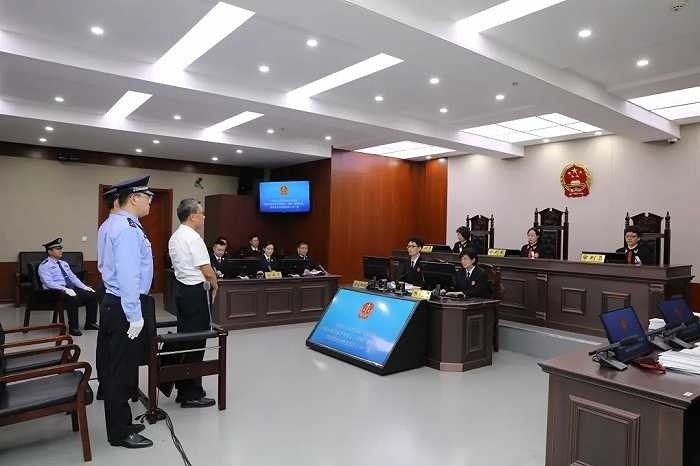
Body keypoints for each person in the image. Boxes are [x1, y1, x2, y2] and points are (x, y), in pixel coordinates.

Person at [97, 176, 154, 449]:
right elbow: (129, 275)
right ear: (133, 198)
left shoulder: (111, 224)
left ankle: (122, 423)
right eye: (147, 196)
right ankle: (120, 432)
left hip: (113, 301)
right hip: (124, 304)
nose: (150, 201)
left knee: (114, 367)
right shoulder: (128, 228)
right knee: (120, 370)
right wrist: (134, 314)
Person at [168, 199, 218, 408]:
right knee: (197, 342)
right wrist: (215, 285)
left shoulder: (175, 236)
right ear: (192, 216)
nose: (204, 216)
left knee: (186, 339)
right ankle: (191, 393)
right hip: (196, 293)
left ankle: (184, 387)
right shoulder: (194, 238)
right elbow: (207, 271)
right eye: (202, 213)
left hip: (182, 290)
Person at [37, 237, 98, 336]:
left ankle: (90, 323)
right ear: (50, 252)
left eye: (61, 248)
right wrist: (65, 289)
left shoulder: (64, 263)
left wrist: (84, 287)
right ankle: (73, 328)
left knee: (92, 295)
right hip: (54, 292)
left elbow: (73, 278)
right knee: (73, 298)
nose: (61, 251)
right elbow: (48, 283)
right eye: (57, 249)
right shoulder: (44, 265)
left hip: (69, 290)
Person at [95, 185, 119, 400]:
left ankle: (106, 385)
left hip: (107, 285)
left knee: (106, 340)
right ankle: (111, 387)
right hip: (114, 289)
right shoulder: (117, 226)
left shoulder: (106, 225)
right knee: (112, 342)